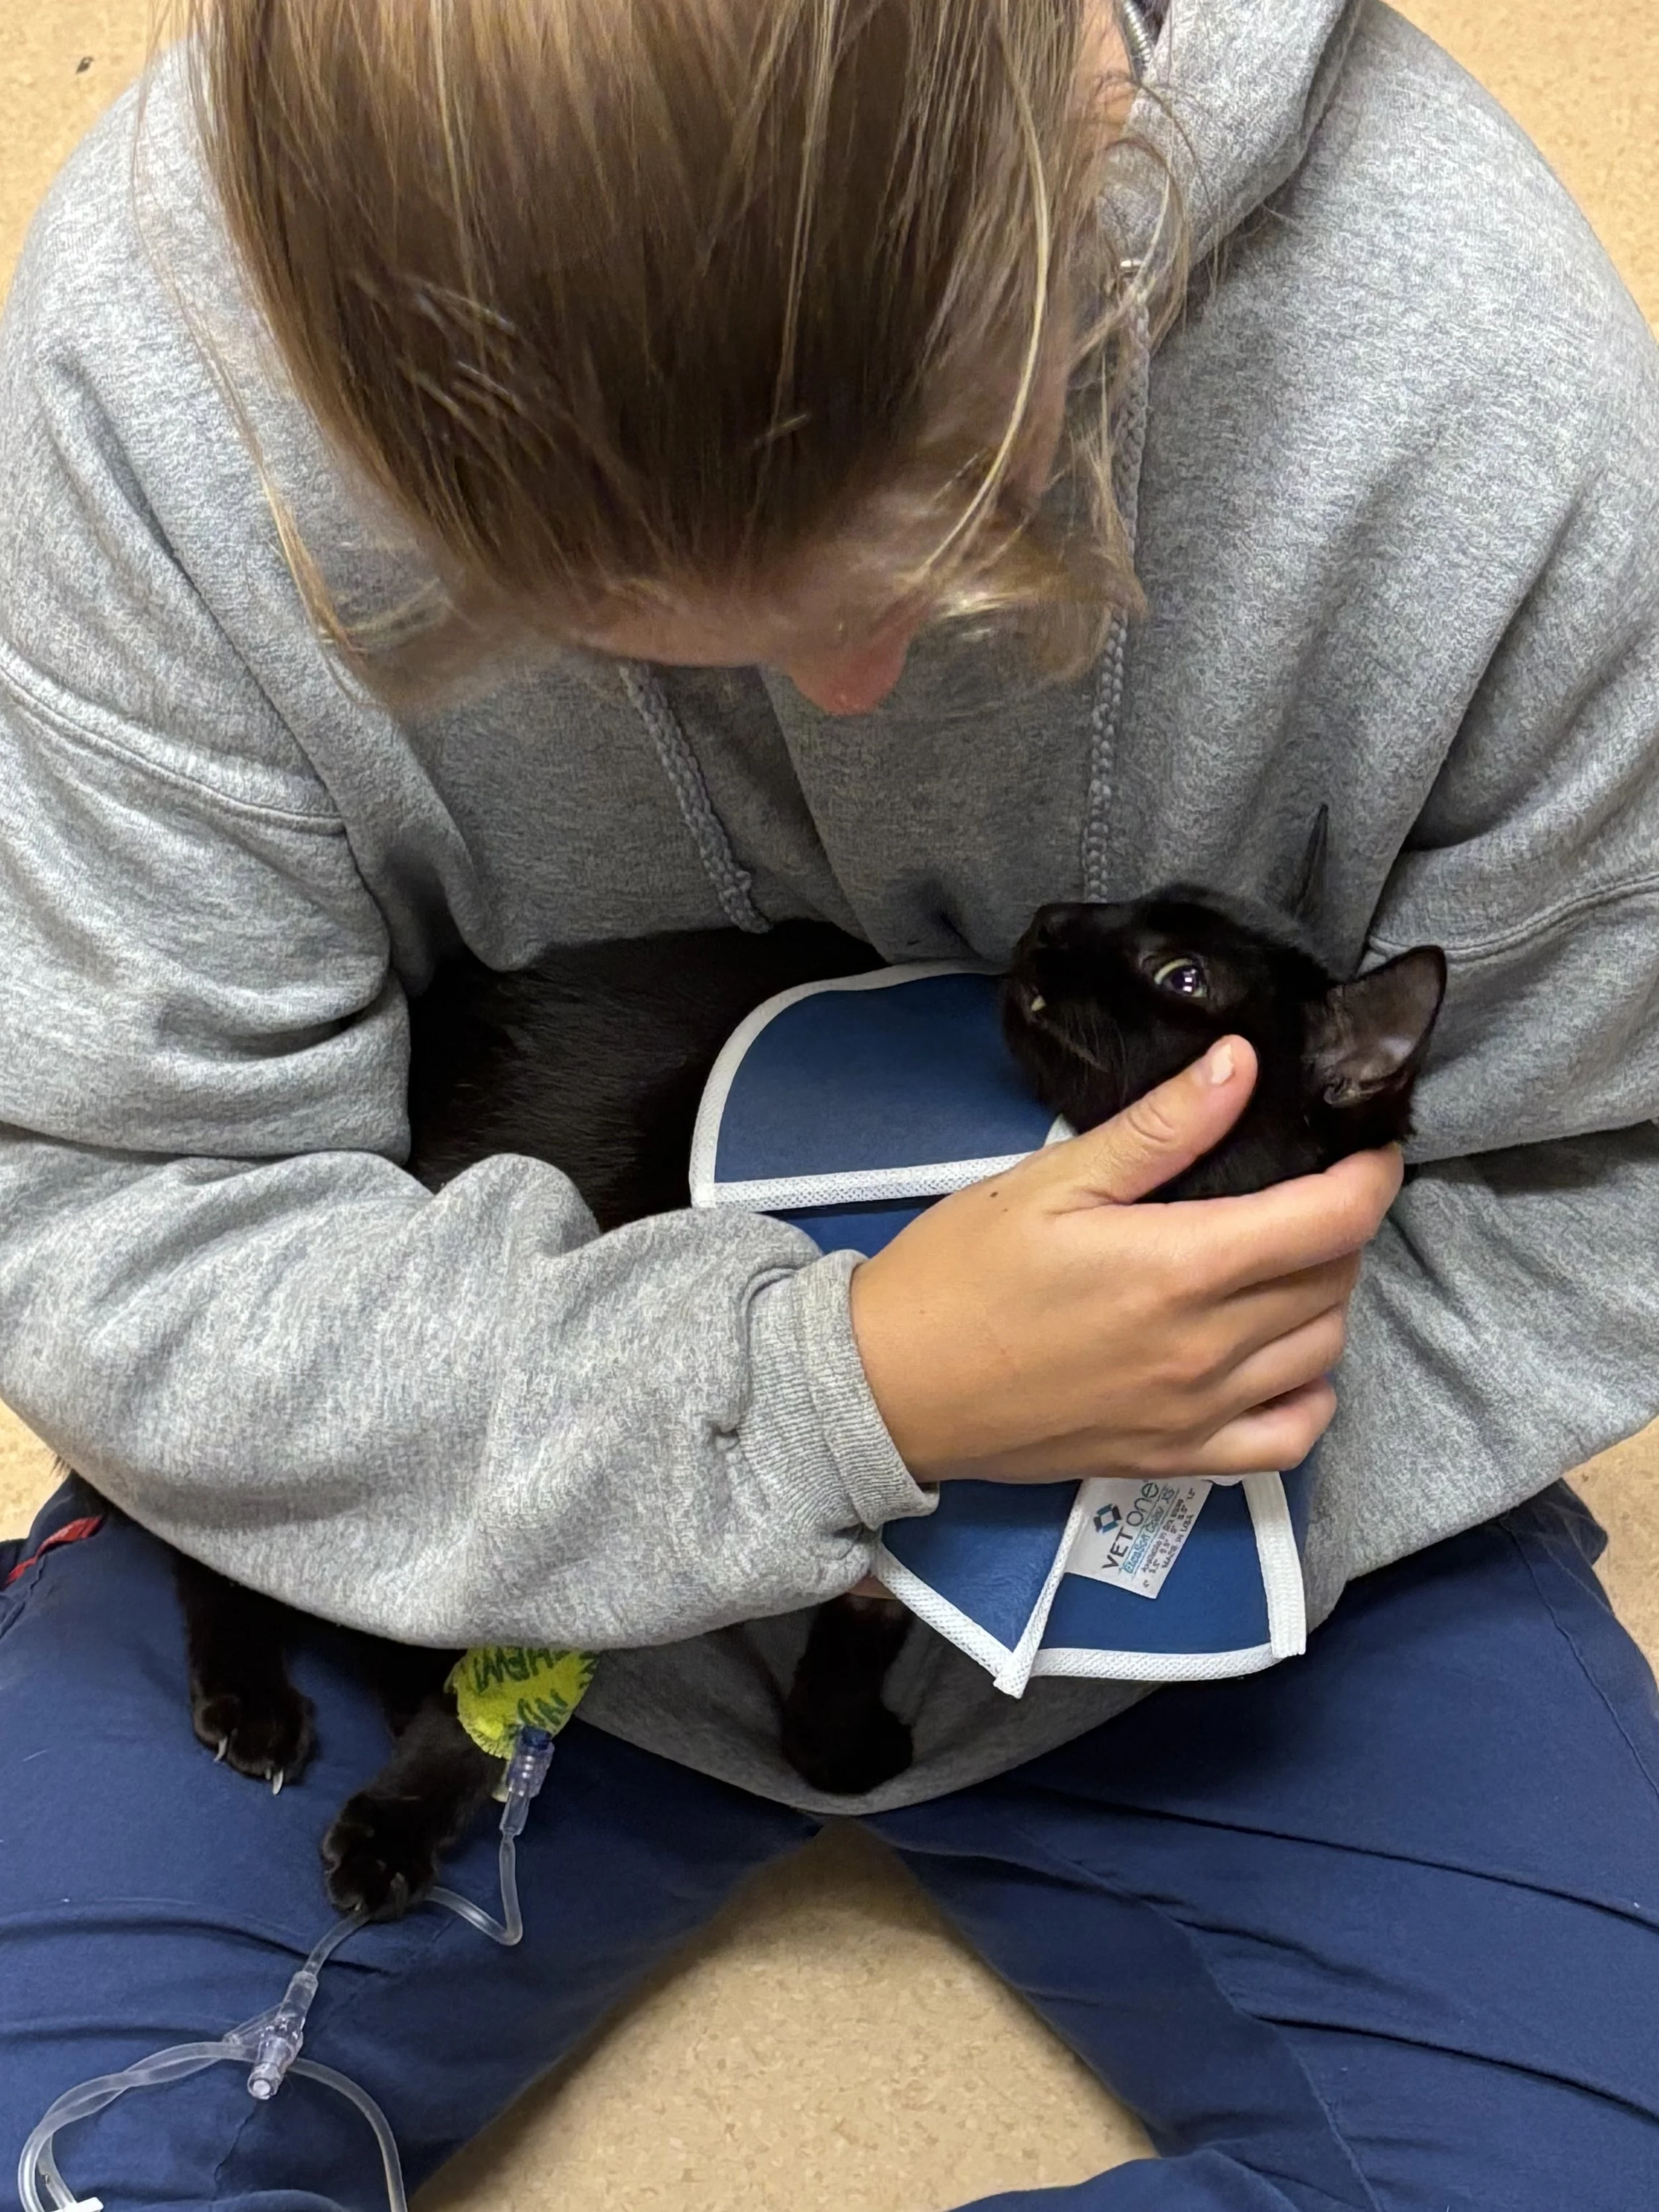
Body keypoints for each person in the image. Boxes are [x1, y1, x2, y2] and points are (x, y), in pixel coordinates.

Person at [3, 0, 1658, 2204]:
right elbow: (130, 1215)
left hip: (1246, 1547)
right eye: (603, 617)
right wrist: (828, 1392)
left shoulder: (1489, 396)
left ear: (1102, 89)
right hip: (435, 1480)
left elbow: (1593, 1165)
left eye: (950, 540)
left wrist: (1165, 1434)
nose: (855, 691)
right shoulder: (158, 371)